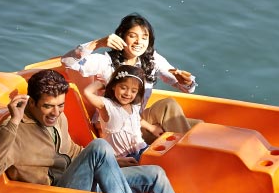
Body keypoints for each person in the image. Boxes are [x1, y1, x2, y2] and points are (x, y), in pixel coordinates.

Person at [0, 69, 180, 193]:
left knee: (155, 173)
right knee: (99, 145)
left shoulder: (58, 118)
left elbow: (71, 151)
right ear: (31, 103)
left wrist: (112, 161)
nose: (55, 113)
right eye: (48, 106)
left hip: (81, 183)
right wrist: (13, 121)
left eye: (60, 105)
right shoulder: (15, 130)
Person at [61, 13, 199, 144]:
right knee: (168, 105)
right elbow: (67, 61)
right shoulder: (105, 62)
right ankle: (187, 158)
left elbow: (186, 87)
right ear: (122, 37)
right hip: (118, 129)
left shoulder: (152, 60)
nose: (139, 42)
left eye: (144, 37)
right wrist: (98, 43)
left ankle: (185, 151)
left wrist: (186, 81)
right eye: (133, 36)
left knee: (198, 126)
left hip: (138, 120)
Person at [81, 64, 156, 165]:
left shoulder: (134, 106)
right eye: (123, 88)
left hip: (143, 149)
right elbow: (87, 92)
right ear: (114, 86)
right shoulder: (106, 105)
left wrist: (152, 128)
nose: (128, 93)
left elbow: (136, 121)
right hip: (123, 158)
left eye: (133, 91)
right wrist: (102, 84)